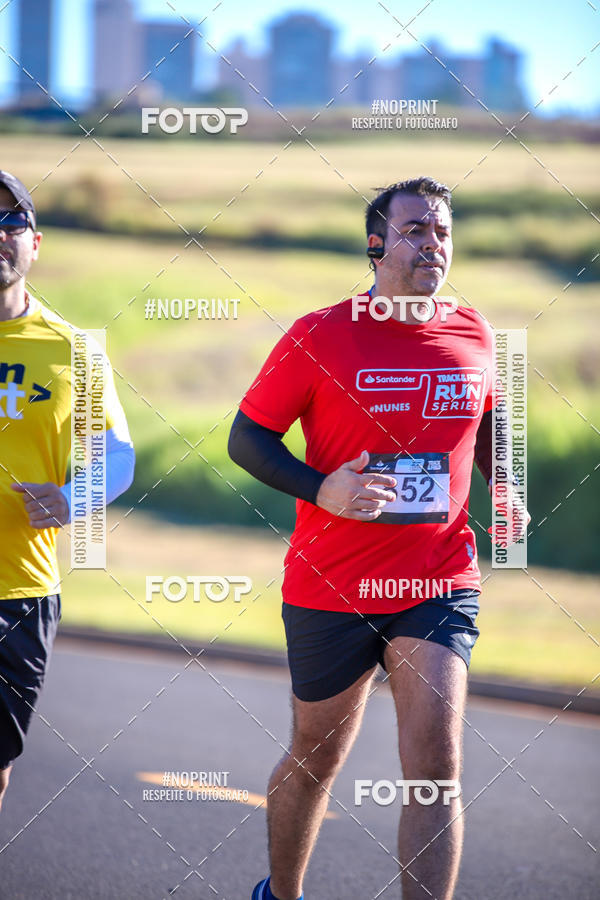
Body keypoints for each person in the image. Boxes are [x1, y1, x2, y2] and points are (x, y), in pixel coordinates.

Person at [229, 176, 529, 900]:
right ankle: (282, 893)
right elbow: (247, 438)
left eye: (444, 232)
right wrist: (322, 487)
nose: (434, 244)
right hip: (333, 582)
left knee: (435, 765)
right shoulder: (319, 333)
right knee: (316, 756)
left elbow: (494, 426)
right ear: (375, 243)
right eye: (417, 229)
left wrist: (505, 485)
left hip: (437, 579)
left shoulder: (476, 332)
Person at [0, 171, 135, 811]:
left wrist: (74, 498)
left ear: (35, 242)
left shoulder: (71, 350)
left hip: (21, 590)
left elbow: (116, 456)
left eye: (10, 222)